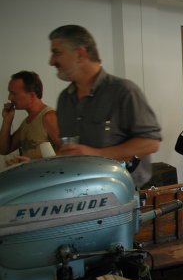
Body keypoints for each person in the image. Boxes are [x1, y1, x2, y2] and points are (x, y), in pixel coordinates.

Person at [49, 24, 161, 188]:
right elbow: (70, 152)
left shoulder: (123, 91)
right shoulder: (65, 99)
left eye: (57, 53)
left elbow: (151, 143)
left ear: (80, 54)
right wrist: (37, 165)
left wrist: (97, 155)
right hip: (79, 193)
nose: (51, 61)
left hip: (120, 196)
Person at [1, 71, 61, 159]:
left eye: (14, 93)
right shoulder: (26, 123)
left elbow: (67, 151)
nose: (9, 98)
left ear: (32, 95)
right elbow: (3, 150)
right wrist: (7, 120)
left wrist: (30, 163)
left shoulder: (49, 117)